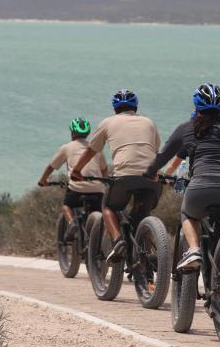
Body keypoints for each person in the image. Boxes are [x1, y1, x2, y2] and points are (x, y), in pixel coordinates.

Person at [144, 83, 220, 271]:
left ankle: (193, 249)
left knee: (188, 213)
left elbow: (163, 156)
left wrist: (150, 173)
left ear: (196, 105)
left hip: (201, 188)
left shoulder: (187, 128)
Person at [70, 89, 163, 263]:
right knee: (142, 214)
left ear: (114, 108)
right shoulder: (149, 122)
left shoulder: (108, 122)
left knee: (108, 207)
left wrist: (76, 170)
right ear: (136, 107)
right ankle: (147, 255)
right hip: (151, 179)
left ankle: (118, 241)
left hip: (124, 177)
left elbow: (91, 150)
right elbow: (157, 151)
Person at [37, 117, 108, 241]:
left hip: (77, 188)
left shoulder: (66, 147)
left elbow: (51, 167)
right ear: (87, 133)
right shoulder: (96, 148)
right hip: (97, 189)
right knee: (100, 215)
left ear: (72, 132)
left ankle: (72, 224)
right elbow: (104, 169)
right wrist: (103, 182)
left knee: (66, 206)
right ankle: (98, 242)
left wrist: (43, 180)